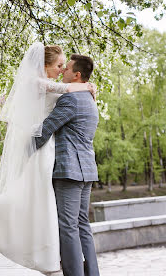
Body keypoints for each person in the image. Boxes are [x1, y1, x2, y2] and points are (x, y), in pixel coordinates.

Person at [0, 42, 95, 273]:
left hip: (57, 157)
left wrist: (84, 85)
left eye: (64, 67)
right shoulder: (37, 83)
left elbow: (50, 121)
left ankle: (59, 262)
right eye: (58, 65)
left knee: (62, 219)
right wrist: (87, 86)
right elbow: (64, 92)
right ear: (44, 65)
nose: (61, 70)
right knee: (69, 220)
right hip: (59, 156)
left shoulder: (65, 94)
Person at [35, 54, 100, 276]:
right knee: (82, 225)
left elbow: (45, 130)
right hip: (87, 171)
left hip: (69, 172)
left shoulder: (70, 99)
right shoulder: (90, 98)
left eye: (68, 68)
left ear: (77, 75)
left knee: (68, 227)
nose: (63, 71)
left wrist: (21, 149)